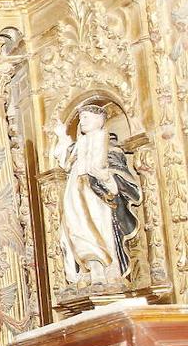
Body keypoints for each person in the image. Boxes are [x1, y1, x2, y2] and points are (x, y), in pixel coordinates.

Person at [52, 105, 142, 285]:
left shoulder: (108, 143)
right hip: (75, 192)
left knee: (98, 226)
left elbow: (119, 170)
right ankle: (92, 269)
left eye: (86, 117)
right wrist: (62, 137)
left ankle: (107, 268)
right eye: (81, 118)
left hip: (97, 195)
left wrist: (107, 179)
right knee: (76, 228)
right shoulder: (79, 144)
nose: (82, 121)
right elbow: (65, 160)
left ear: (99, 120)